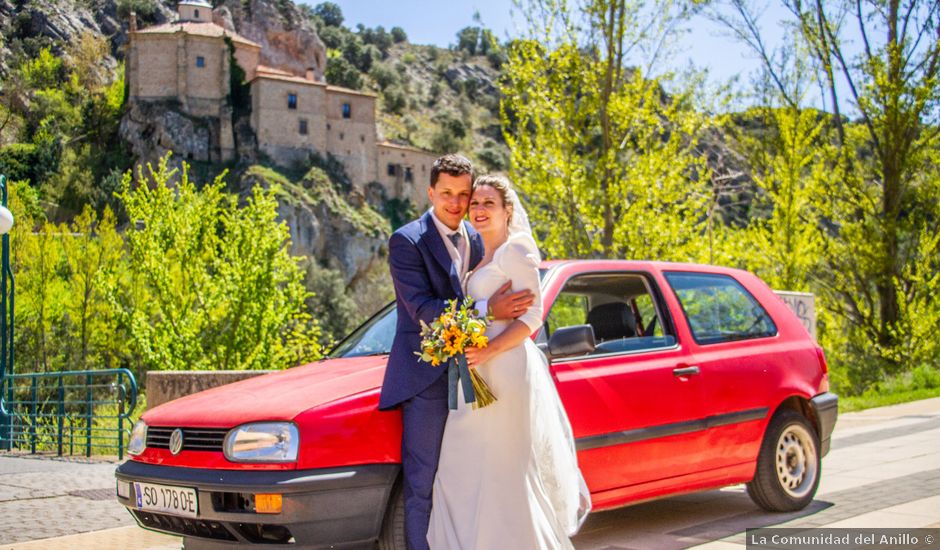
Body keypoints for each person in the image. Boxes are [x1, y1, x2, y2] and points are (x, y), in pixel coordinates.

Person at [378, 155, 536, 550]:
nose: (455, 202)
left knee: (469, 477)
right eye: (446, 193)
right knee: (424, 482)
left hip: (480, 375)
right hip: (426, 378)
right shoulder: (406, 241)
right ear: (431, 192)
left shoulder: (481, 238)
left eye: (463, 194)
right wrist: (487, 311)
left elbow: (525, 305)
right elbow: (425, 310)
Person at [427, 174, 591, 550]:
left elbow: (532, 318)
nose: (479, 210)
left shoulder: (515, 251)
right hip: (472, 371)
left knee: (501, 471)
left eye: (489, 203)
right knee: (459, 468)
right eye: (476, 204)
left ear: (507, 211)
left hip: (504, 370)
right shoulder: (476, 254)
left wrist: (488, 351)